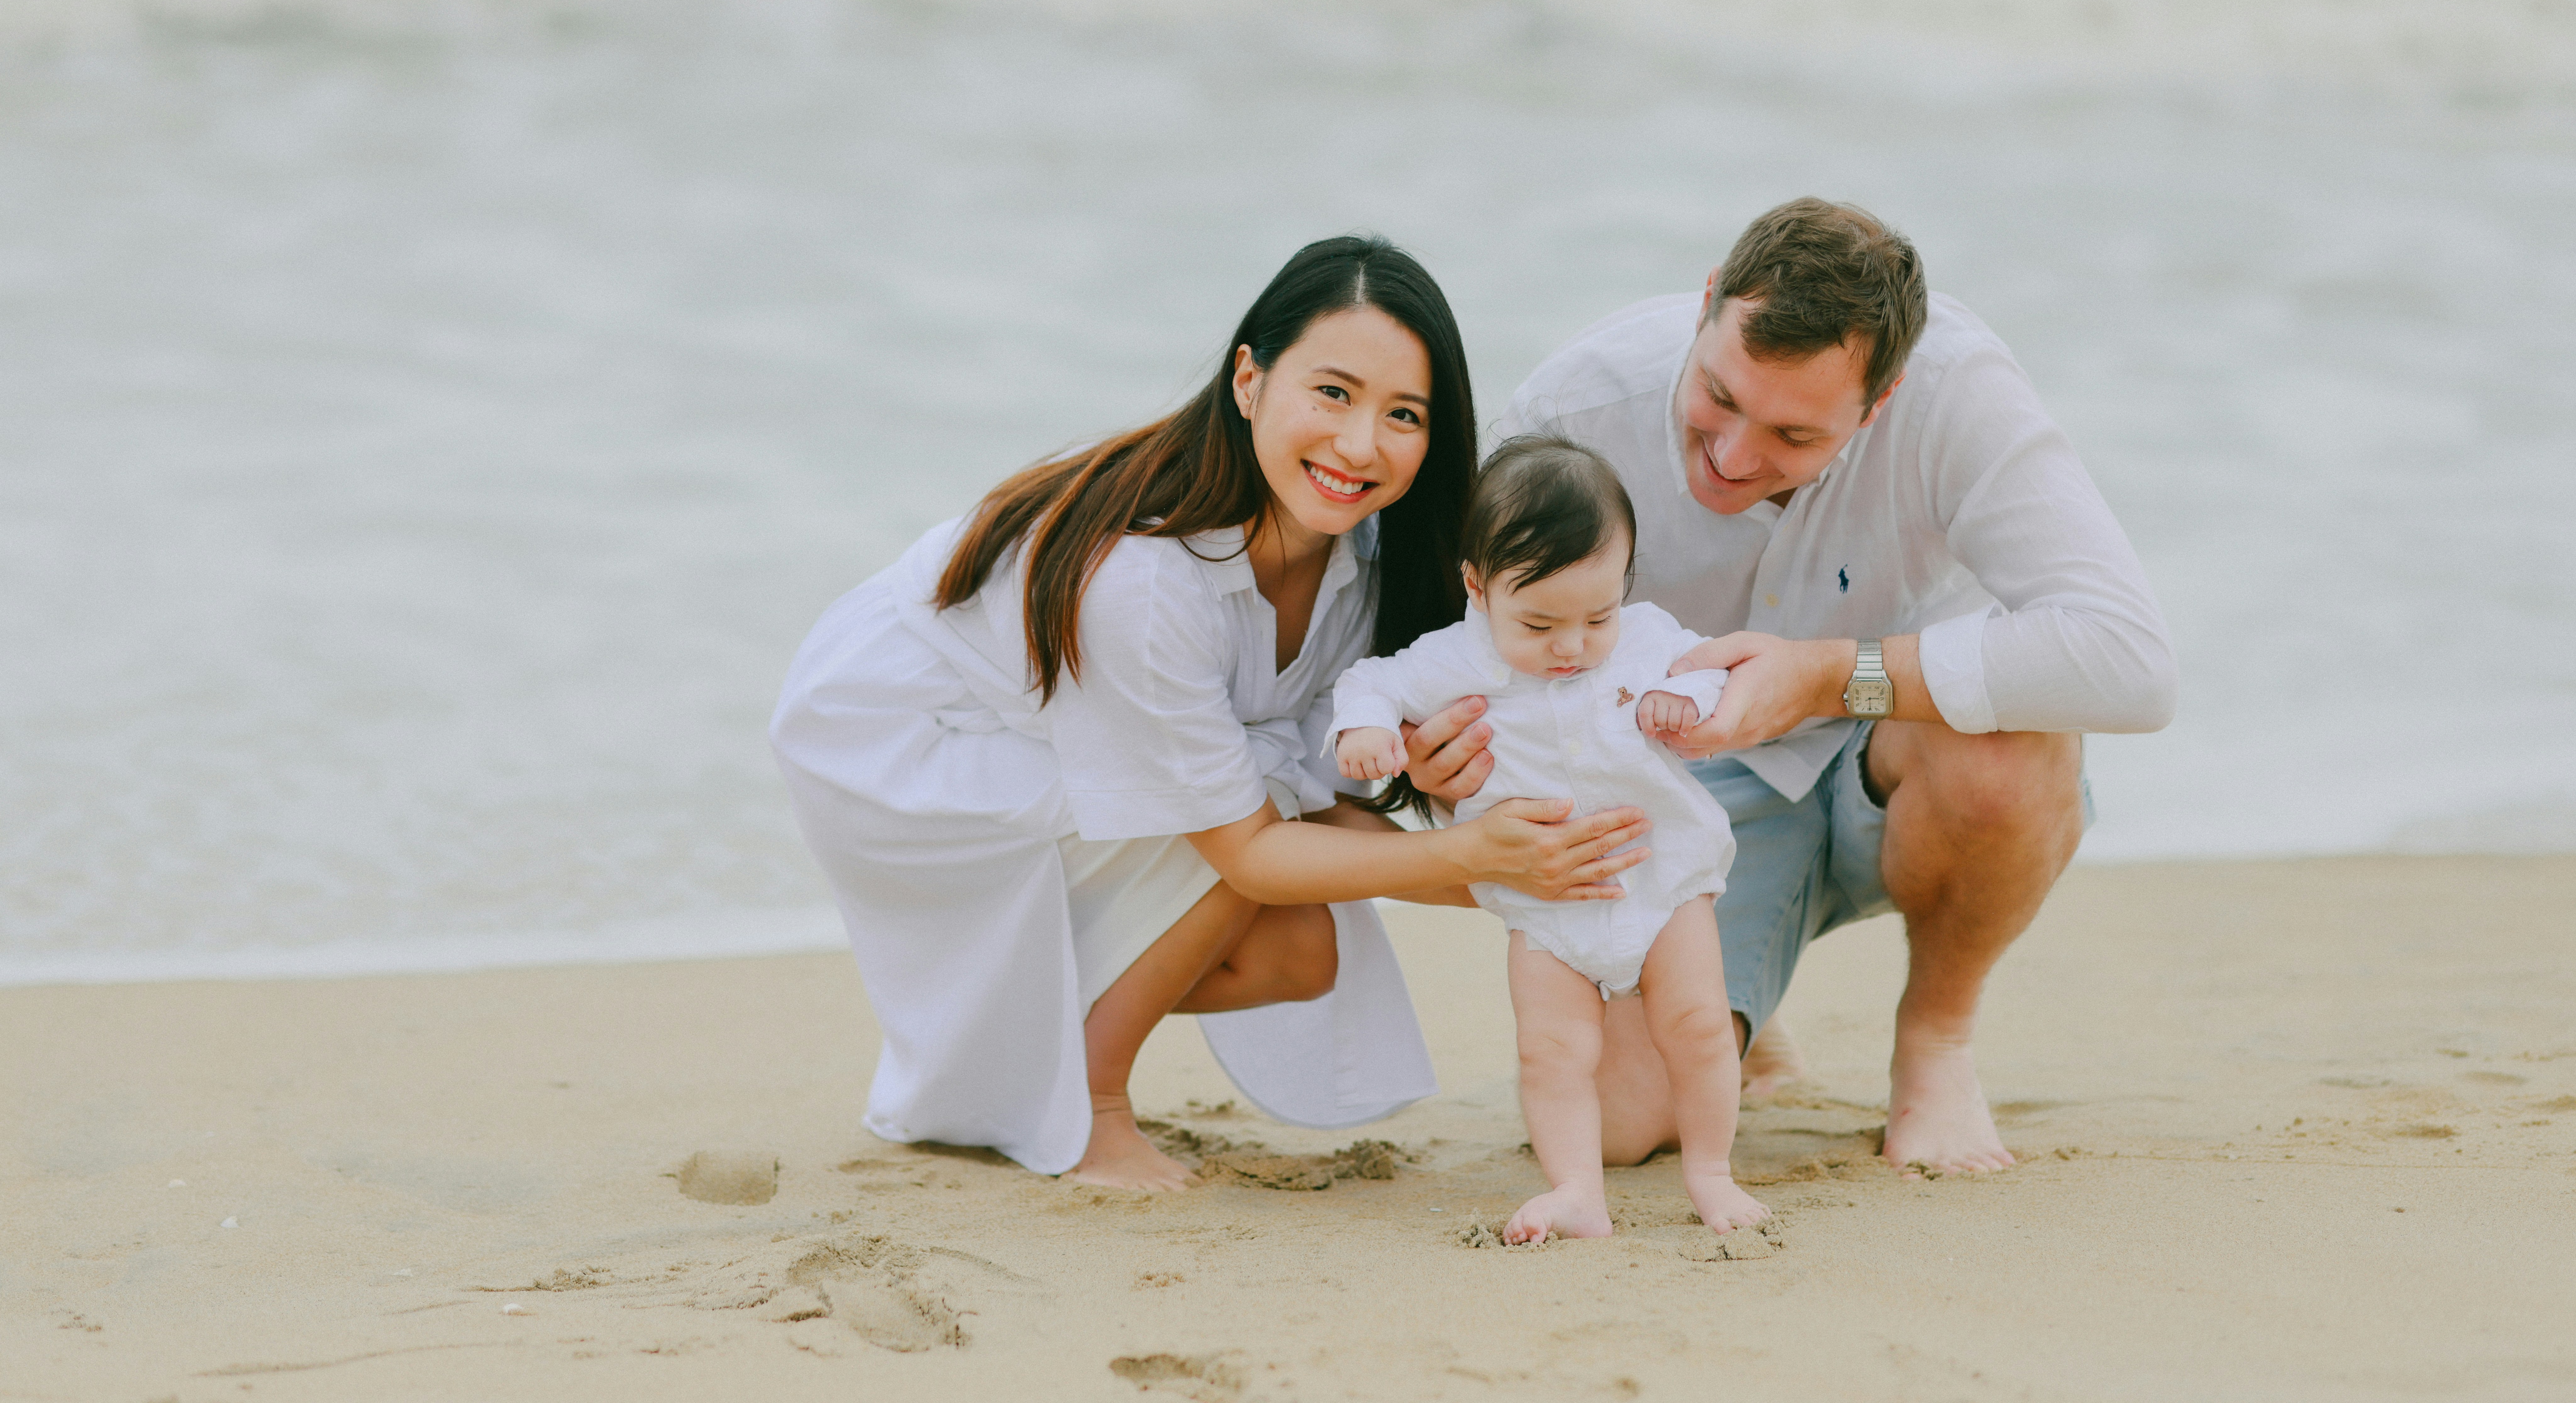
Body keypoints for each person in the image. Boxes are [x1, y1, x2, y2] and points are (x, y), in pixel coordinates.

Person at [770, 236, 1652, 1191]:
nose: (1360, 445)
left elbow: (1350, 794)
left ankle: (1022, 1048)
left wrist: (1558, 866)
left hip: (1035, 728)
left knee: (1299, 954)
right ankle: (1092, 1107)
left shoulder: (1366, 558)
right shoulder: (1147, 579)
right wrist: (1474, 857)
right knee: (1258, 828)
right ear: (1249, 380)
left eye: (1404, 414)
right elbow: (1252, 846)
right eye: (1332, 393)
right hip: (910, 737)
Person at [1399, 199, 2178, 1175]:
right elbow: (1470, 643)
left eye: (1795, 437)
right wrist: (1443, 762)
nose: (1732, 458)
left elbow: (2133, 663)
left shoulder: (1959, 395)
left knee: (2013, 746)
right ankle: (1743, 1003)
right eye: (1719, 397)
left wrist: (1824, 678)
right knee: (1614, 1126)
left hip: (1902, 758)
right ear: (1710, 305)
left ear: (1882, 400)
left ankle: (1935, 1045)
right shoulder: (1578, 408)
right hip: (1685, 793)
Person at [1329, 434, 1767, 1243]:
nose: (1571, 646)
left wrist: (1685, 699)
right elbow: (1372, 680)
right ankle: (1575, 1191)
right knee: (1552, 1049)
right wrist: (1365, 728)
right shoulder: (1455, 657)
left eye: (1594, 616)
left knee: (1700, 1024)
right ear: (1477, 586)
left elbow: (1705, 669)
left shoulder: (1642, 638)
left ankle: (1711, 1170)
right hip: (1547, 899)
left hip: (1660, 874)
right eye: (1538, 623)